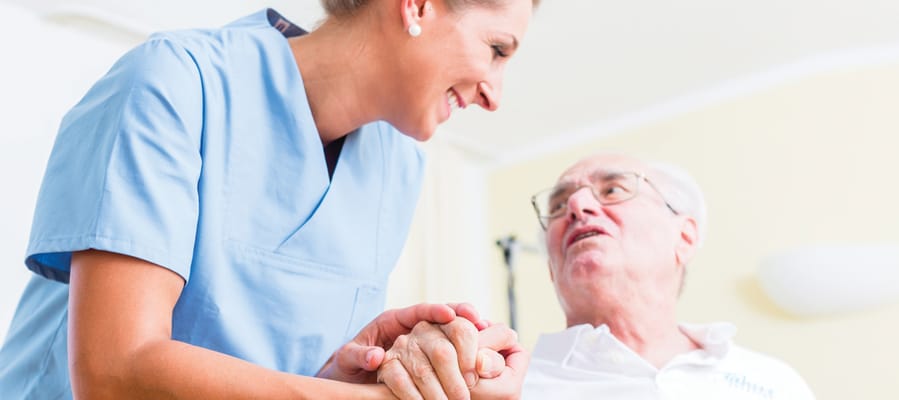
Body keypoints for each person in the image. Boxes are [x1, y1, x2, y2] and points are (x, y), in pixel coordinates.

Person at [0, 0, 538, 398]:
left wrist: (354, 370)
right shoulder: (175, 80)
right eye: (496, 49)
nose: (496, 94)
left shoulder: (398, 164)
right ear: (416, 6)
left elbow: (277, 379)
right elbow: (113, 372)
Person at [520, 153, 816, 399]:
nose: (575, 206)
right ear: (552, 267)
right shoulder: (511, 388)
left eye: (612, 190)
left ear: (685, 237)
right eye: (558, 206)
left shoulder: (775, 383)